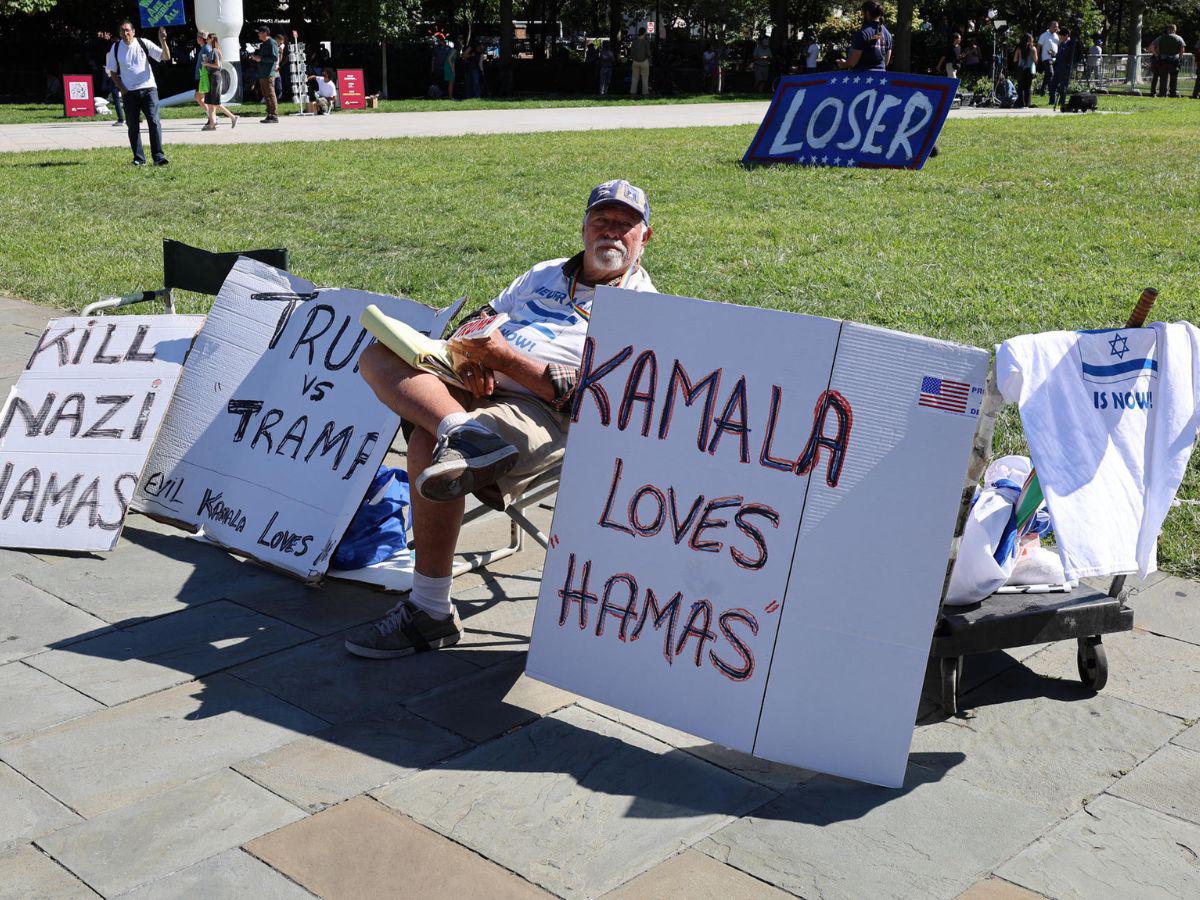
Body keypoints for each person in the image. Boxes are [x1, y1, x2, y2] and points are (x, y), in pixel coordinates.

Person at [344, 180, 656, 659]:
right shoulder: (545, 272)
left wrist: (505, 359)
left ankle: (429, 611)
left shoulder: (644, 306)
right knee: (377, 355)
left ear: (644, 238)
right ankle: (460, 430)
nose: (611, 231)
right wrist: (469, 353)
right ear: (584, 227)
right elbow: (477, 320)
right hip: (471, 386)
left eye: (625, 224)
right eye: (602, 220)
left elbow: (597, 396)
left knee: (429, 449)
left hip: (541, 412)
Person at [105, 20, 171, 167]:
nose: (125, 33)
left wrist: (162, 41)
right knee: (133, 126)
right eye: (122, 31)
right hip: (129, 93)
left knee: (154, 122)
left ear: (133, 32)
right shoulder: (116, 48)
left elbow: (165, 56)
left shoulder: (143, 43)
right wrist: (123, 89)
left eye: (128, 30)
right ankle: (139, 159)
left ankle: (158, 157)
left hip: (149, 90)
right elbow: (113, 72)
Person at [841, 1, 892, 71]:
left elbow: (852, 63)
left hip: (862, 76)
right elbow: (886, 62)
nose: (862, 16)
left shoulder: (862, 33)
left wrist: (843, 64)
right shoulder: (887, 34)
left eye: (862, 13)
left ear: (867, 13)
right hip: (881, 75)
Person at [202, 34, 237, 129]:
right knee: (210, 102)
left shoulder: (215, 51)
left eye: (208, 38)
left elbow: (217, 65)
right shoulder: (213, 51)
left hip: (215, 78)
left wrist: (206, 63)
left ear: (212, 39)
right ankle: (212, 124)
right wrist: (207, 62)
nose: (206, 40)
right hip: (211, 77)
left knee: (215, 103)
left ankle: (232, 117)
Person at [249, 24, 280, 123]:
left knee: (270, 94)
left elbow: (275, 58)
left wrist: (260, 59)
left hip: (269, 73)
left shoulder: (272, 42)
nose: (258, 34)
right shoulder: (264, 43)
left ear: (265, 33)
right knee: (266, 95)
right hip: (263, 73)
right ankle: (269, 114)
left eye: (259, 32)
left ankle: (274, 115)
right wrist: (256, 57)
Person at [1150, 24, 1186, 98]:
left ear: (1168, 29)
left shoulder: (1161, 38)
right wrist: (1180, 57)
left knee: (1163, 78)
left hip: (1163, 60)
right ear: (1174, 30)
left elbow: (1151, 47)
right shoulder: (1179, 38)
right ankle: (1173, 93)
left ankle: (1163, 93)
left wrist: (1156, 55)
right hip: (1174, 60)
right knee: (1174, 78)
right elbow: (1182, 49)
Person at [1012, 32, 1038, 108]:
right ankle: (1027, 103)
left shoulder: (1019, 48)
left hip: (1021, 69)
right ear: (1030, 40)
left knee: (1020, 87)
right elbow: (1036, 60)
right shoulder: (1033, 48)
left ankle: (1020, 103)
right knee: (1028, 87)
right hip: (1029, 69)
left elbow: (1015, 59)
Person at [1050, 29, 1073, 107]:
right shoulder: (1062, 44)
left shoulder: (1070, 44)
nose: (1060, 38)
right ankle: (1052, 101)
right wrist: (1054, 55)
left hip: (1065, 68)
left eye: (1061, 36)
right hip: (1058, 67)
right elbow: (1060, 55)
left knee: (1063, 86)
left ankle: (1061, 101)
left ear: (1066, 36)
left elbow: (1067, 56)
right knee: (1053, 84)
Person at [191, 29, 210, 121]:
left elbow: (209, 62)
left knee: (198, 97)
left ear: (201, 38)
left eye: (198, 37)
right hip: (201, 77)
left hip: (203, 77)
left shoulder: (206, 48)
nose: (197, 39)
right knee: (200, 98)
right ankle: (212, 117)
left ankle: (212, 117)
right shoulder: (204, 48)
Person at [1036, 20, 1059, 95]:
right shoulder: (1044, 35)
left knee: (1047, 75)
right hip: (1046, 58)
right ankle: (1052, 91)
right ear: (1050, 27)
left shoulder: (1057, 36)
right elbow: (1038, 46)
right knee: (1050, 73)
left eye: (1057, 27)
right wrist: (1037, 57)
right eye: (1054, 27)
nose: (1056, 28)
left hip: (1055, 58)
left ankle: (1042, 90)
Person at [629, 27, 651, 96]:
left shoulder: (634, 42)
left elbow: (631, 53)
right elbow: (648, 53)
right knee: (645, 78)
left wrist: (634, 58)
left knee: (634, 78)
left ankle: (633, 92)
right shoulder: (645, 42)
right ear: (644, 33)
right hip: (644, 61)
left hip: (635, 61)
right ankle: (645, 93)